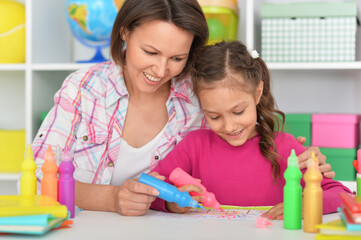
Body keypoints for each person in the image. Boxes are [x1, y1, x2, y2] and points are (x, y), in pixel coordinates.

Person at [31, 0, 333, 216]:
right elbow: (34, 179)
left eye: (177, 58)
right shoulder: (84, 88)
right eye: (150, 51)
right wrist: (112, 198)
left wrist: (296, 157)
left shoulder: (197, 96)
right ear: (125, 32)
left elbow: (235, 144)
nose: (161, 69)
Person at [150, 40, 351, 219]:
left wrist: (306, 204)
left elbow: (341, 194)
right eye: (214, 116)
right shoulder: (194, 145)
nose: (229, 126)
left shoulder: (285, 147)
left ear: (257, 93)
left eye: (238, 111)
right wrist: (171, 203)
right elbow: (150, 189)